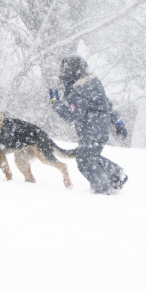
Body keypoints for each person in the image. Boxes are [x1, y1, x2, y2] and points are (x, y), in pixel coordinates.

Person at [49, 55, 128, 194]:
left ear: (70, 73)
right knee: (90, 157)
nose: (61, 76)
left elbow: (71, 115)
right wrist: (118, 123)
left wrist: (55, 102)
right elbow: (108, 105)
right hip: (99, 130)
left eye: (63, 72)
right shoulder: (93, 84)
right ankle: (116, 175)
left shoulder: (78, 90)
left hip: (91, 131)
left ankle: (102, 188)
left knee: (84, 160)